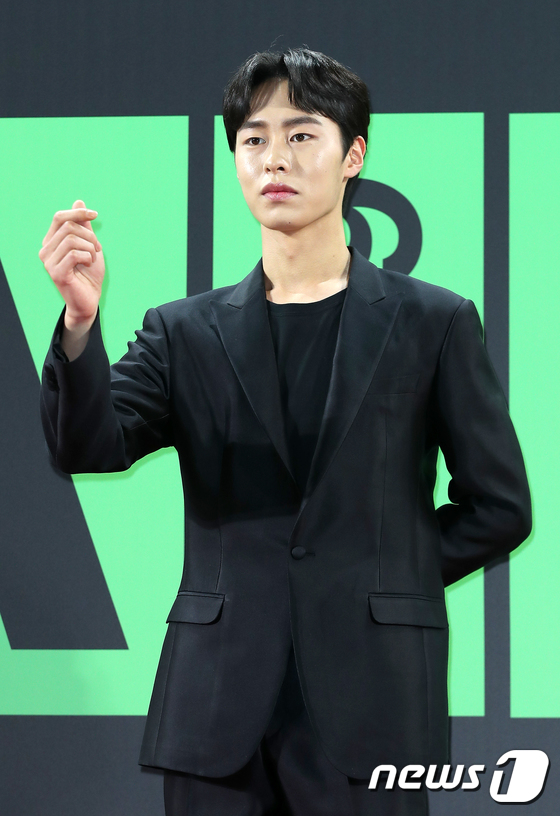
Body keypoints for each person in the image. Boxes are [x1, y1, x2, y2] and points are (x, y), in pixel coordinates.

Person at [38, 47, 531, 816]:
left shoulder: (434, 321)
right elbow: (87, 448)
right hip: (215, 707)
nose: (275, 158)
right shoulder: (182, 331)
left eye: (302, 135)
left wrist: (374, 577)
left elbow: (500, 507)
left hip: (375, 702)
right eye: (254, 139)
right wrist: (79, 321)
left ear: (352, 155)